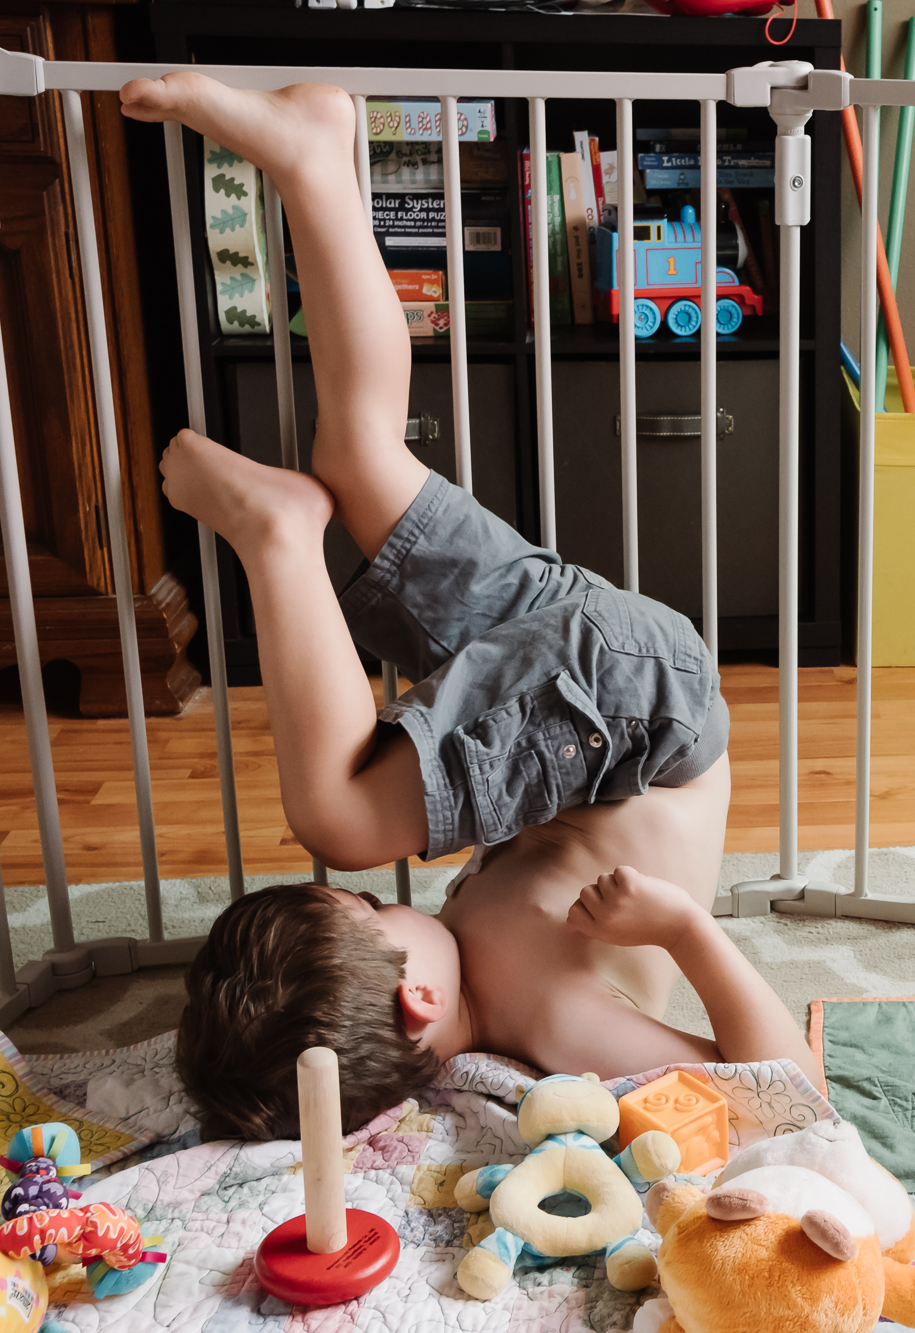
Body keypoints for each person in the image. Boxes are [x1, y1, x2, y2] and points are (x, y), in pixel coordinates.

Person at [119, 73, 817, 1139]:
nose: (386, 899)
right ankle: (277, 536)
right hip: (627, 713)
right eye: (371, 911)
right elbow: (783, 1095)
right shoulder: (555, 1019)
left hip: (589, 702)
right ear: (414, 999)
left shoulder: (471, 989)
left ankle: (314, 156)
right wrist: (682, 929)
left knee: (359, 452)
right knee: (343, 816)